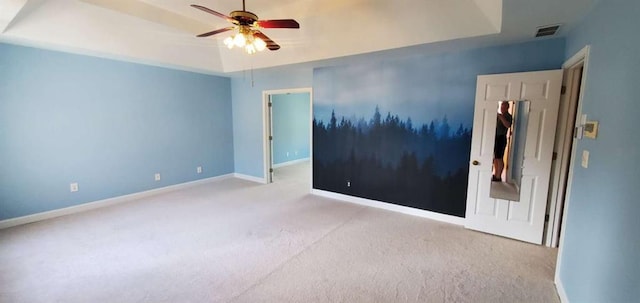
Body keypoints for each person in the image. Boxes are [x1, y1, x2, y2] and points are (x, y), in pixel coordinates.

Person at [493, 101, 512, 182]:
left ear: (507, 107)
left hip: (501, 138)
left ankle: (498, 176)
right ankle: (495, 173)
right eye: (501, 106)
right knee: (496, 158)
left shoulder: (508, 116)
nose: (502, 108)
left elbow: (508, 125)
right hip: (496, 138)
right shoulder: (498, 115)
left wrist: (501, 117)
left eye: (504, 107)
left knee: (499, 157)